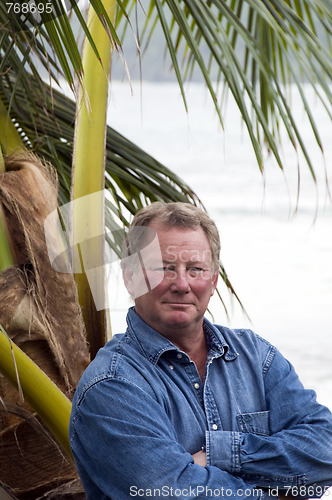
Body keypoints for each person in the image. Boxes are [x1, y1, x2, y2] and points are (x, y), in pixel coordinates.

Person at [69, 202, 332, 500]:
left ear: (214, 279)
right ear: (130, 277)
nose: (182, 284)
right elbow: (169, 493)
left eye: (195, 269)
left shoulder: (256, 357)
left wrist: (218, 454)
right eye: (164, 268)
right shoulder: (112, 384)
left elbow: (325, 451)